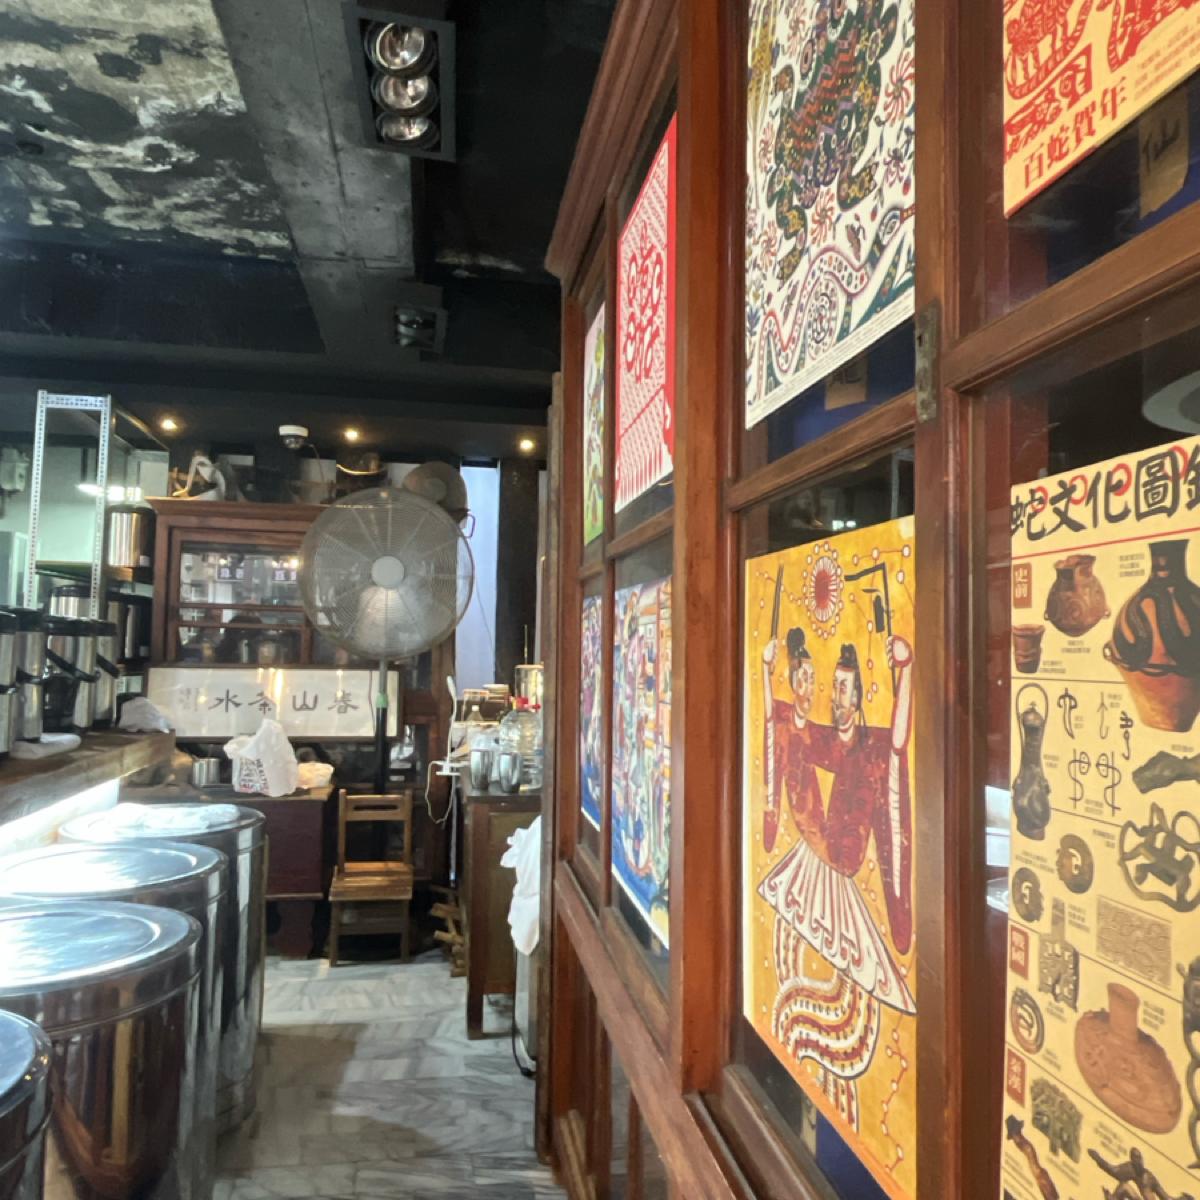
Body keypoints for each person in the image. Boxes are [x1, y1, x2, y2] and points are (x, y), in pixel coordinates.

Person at [759, 629, 915, 1013]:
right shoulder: (826, 740)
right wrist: (765, 670)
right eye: (834, 687)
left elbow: (898, 742)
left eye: (843, 688)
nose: (835, 696)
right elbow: (780, 720)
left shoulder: (871, 747)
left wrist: (907, 668)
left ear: (857, 698)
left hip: (845, 865)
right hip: (816, 858)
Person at [1088, 1146, 1195, 1200]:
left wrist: (1181, 1199)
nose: (1139, 1161)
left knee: (1125, 1187)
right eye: (1136, 1158)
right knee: (1124, 1186)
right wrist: (1098, 1158)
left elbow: (1166, 1197)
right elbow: (1113, 1170)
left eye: (1140, 1158)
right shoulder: (1130, 1169)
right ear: (1132, 1159)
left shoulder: (1149, 1177)